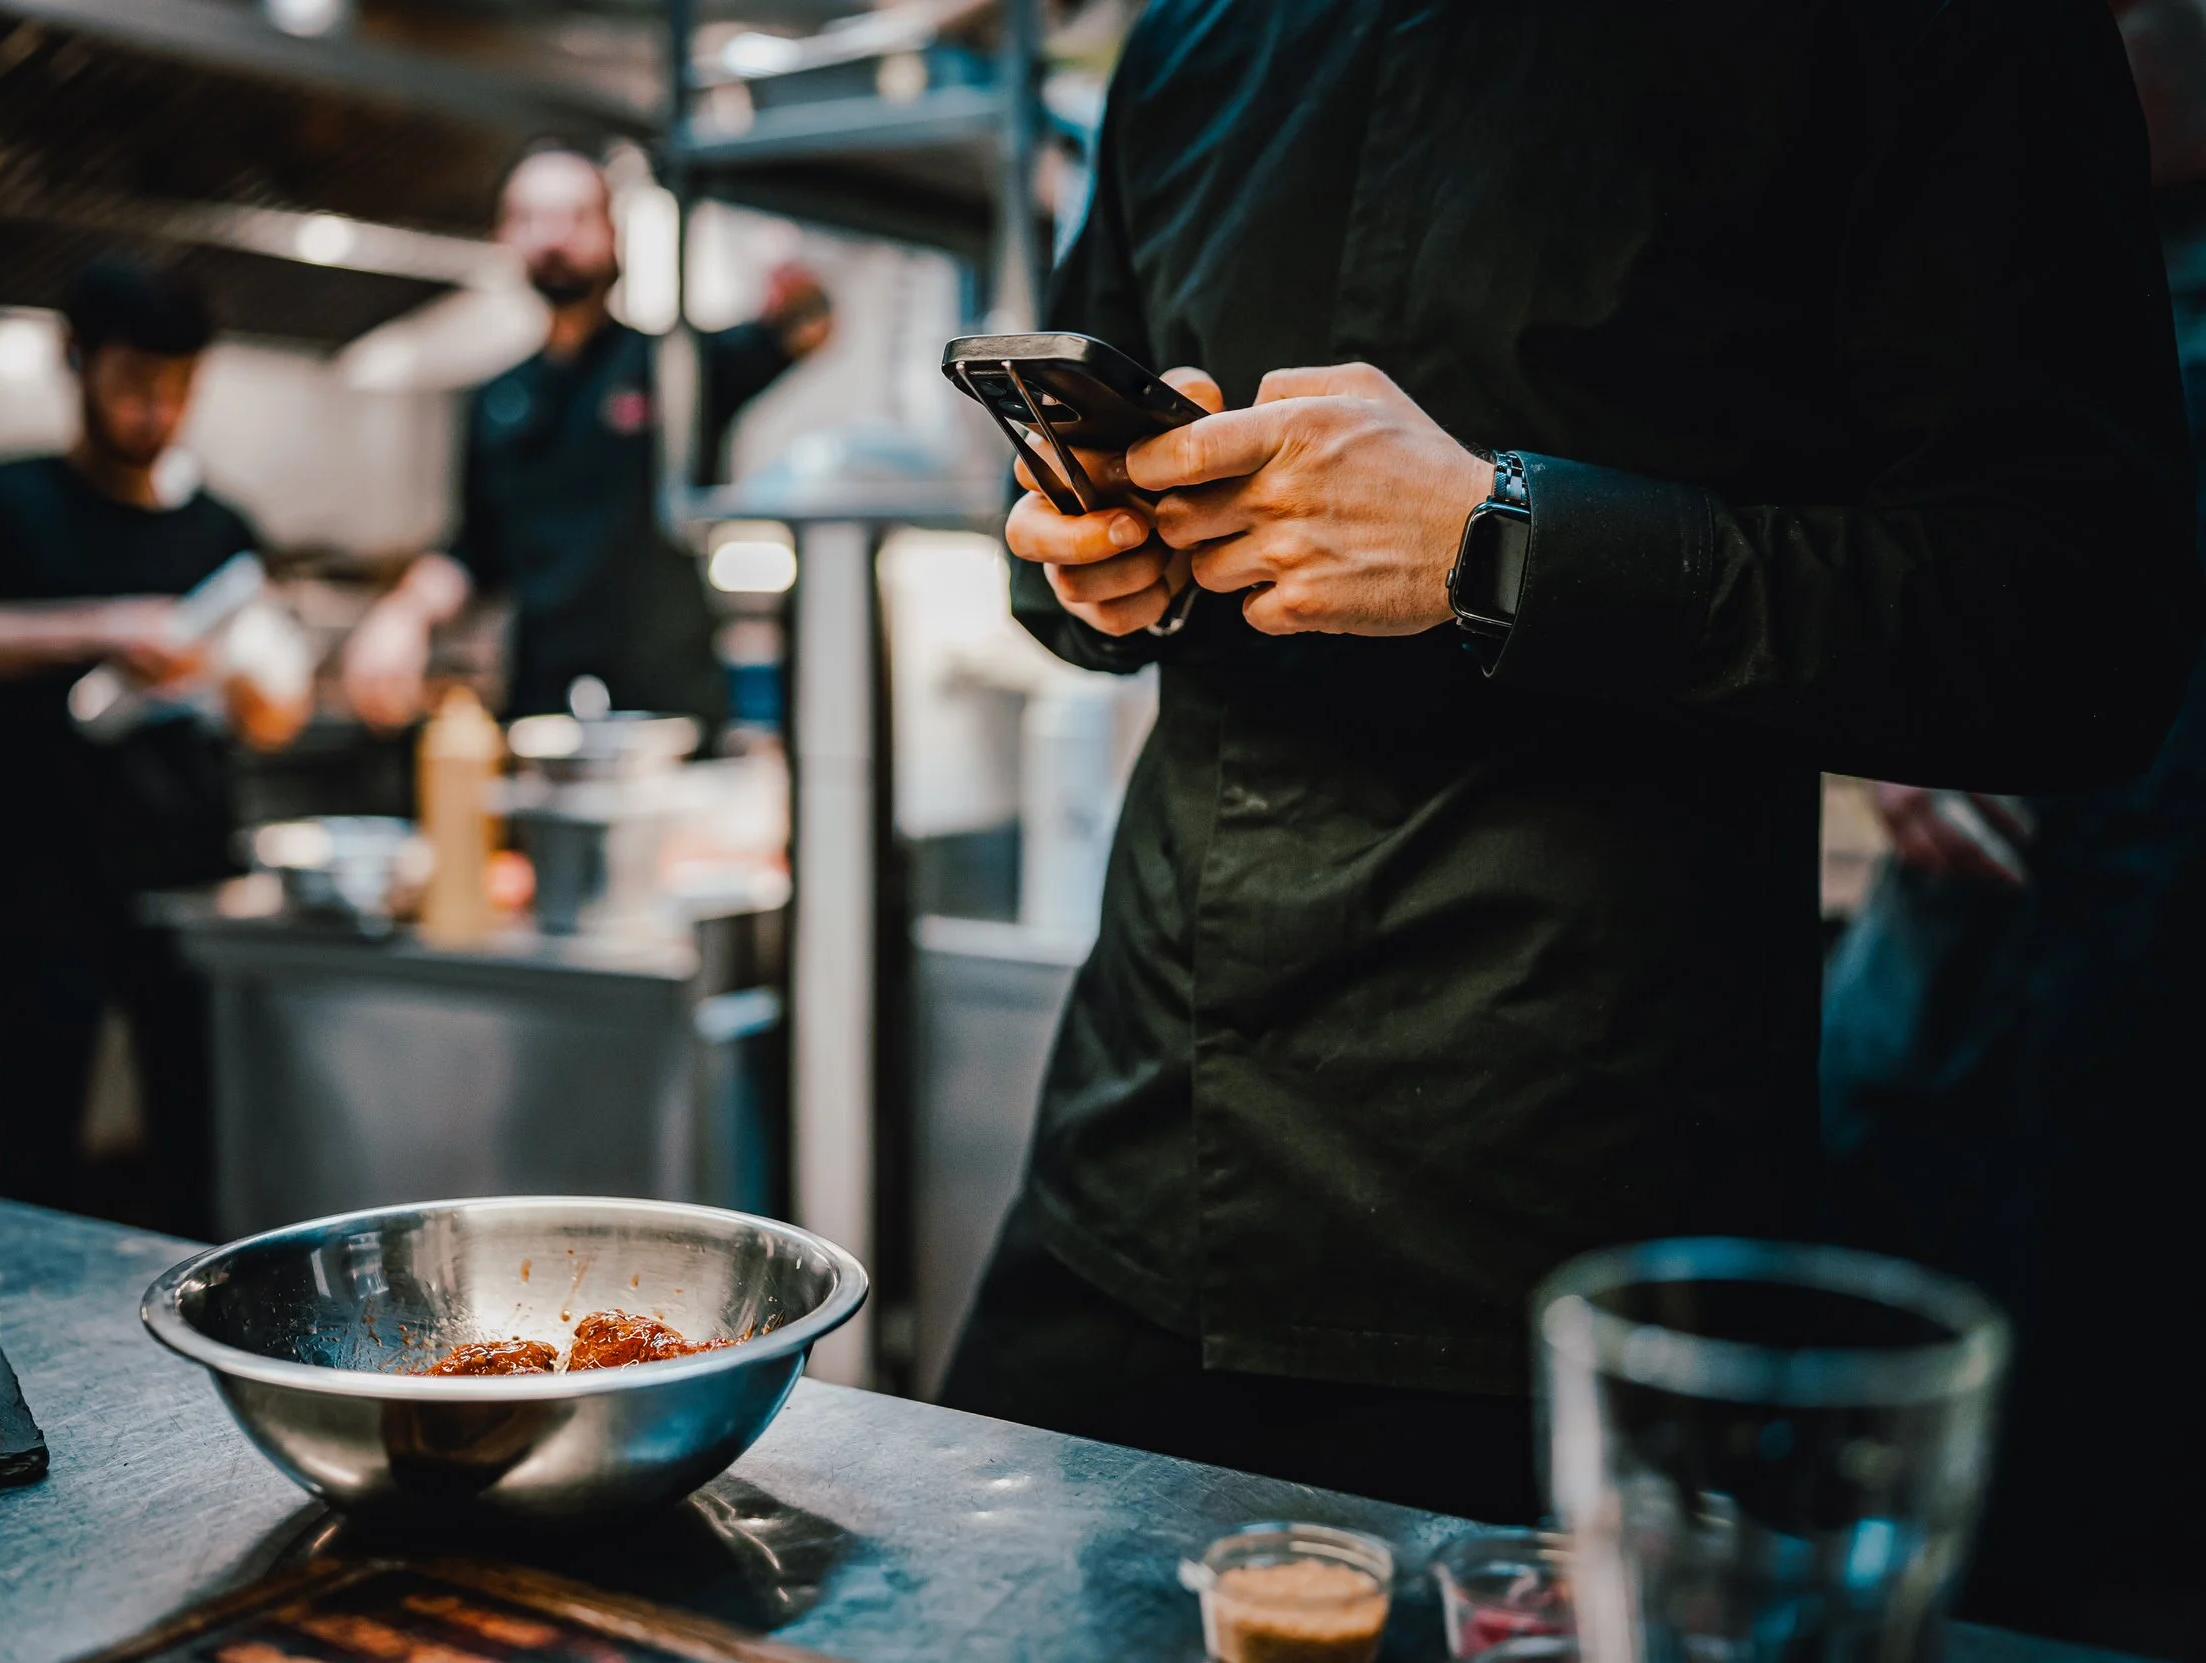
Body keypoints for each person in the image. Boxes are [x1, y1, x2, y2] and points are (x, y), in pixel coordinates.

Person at [938, 0, 2200, 1526]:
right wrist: (1083, 559)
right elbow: (1075, 529)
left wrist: (1499, 539)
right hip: (1135, 1153)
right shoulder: (1194, 36)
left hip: (1568, 1228)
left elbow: (2080, 629)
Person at [1815, 3, 2206, 1648]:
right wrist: (1893, 733)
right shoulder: (1989, 259)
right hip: (1964, 1018)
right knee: (1915, 1519)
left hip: (2143, 1028)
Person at [0, 256, 255, 1233]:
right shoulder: (0, 501)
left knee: (199, 1155)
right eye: (133, 384)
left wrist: (252, 681)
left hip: (194, 889)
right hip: (43, 881)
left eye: (176, 390)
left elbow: (269, 710)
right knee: (30, 1154)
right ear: (75, 359)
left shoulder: (221, 530)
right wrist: (103, 626)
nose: (153, 411)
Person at [340, 146, 831, 735]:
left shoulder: (676, 366)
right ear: (504, 238)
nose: (552, 237)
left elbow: (807, 327)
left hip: (670, 716)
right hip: (542, 717)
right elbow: (475, 551)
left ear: (614, 235)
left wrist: (798, 282)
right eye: (530, 218)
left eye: (574, 217)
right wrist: (405, 613)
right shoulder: (495, 399)